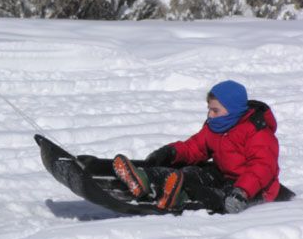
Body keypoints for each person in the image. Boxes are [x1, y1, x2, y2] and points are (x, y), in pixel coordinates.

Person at [111, 80, 289, 214]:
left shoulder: (257, 132)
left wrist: (241, 190)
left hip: (252, 189)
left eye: (215, 110)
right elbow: (196, 146)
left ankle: (178, 196)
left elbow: (263, 167)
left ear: (233, 109)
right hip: (223, 174)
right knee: (189, 173)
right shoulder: (216, 126)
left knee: (217, 197)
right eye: (209, 109)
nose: (210, 114)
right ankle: (145, 178)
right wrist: (172, 152)